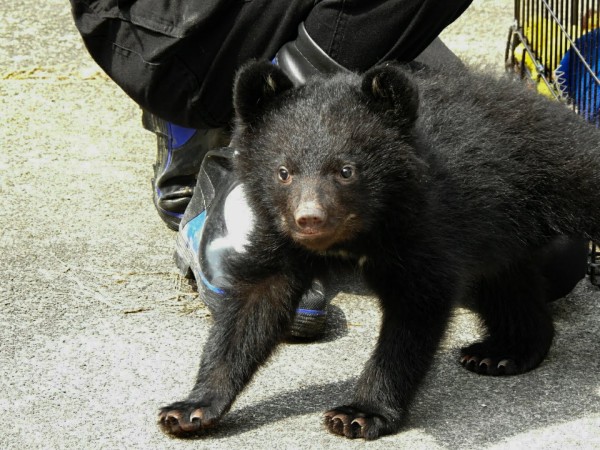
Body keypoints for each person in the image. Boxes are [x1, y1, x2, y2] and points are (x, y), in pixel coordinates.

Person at [69, 0, 588, 340]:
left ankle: (243, 120)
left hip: (336, 13)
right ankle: (244, 166)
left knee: (550, 255)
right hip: (181, 19)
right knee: (277, 264)